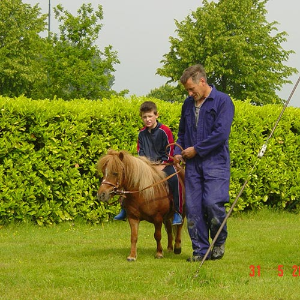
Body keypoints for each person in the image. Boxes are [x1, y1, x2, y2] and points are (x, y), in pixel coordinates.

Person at [173, 64, 234, 262]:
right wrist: (178, 152)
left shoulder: (223, 101)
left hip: (216, 163)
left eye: (192, 89)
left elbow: (221, 134)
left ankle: (218, 241)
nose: (190, 93)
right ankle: (200, 251)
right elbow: (182, 133)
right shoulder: (187, 104)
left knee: (212, 203)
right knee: (192, 208)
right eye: (187, 91)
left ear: (202, 81)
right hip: (192, 165)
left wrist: (197, 149)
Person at [114, 101, 183, 225]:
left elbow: (169, 150)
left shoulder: (165, 130)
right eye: (144, 117)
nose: (147, 119)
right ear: (141, 118)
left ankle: (178, 211)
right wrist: (144, 166)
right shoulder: (141, 133)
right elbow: (141, 152)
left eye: (150, 116)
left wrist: (162, 163)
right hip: (147, 167)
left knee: (175, 180)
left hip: (164, 164)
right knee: (128, 179)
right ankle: (124, 208)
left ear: (156, 115)